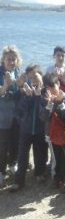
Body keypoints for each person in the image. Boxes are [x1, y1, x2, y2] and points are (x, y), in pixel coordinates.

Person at [9, 70, 48, 191]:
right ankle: (19, 181)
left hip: (39, 130)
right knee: (22, 156)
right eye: (32, 80)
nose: (35, 82)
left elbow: (46, 113)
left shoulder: (45, 94)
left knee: (39, 153)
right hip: (25, 130)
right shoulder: (25, 94)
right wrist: (29, 97)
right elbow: (18, 111)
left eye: (37, 79)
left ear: (42, 81)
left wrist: (38, 97)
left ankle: (39, 173)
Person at [40, 73, 65, 193]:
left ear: (58, 84)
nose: (50, 91)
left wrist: (60, 104)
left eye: (52, 87)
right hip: (51, 134)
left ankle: (64, 179)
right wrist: (49, 104)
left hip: (64, 135)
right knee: (55, 157)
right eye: (47, 88)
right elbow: (43, 118)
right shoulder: (44, 99)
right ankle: (56, 178)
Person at [0, 45, 22, 186]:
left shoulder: (18, 72)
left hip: (17, 116)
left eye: (14, 59)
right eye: (9, 59)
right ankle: (1, 172)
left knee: (15, 141)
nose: (12, 62)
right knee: (2, 145)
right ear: (3, 60)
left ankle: (13, 164)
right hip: (3, 116)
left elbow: (19, 94)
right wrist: (6, 85)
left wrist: (21, 86)